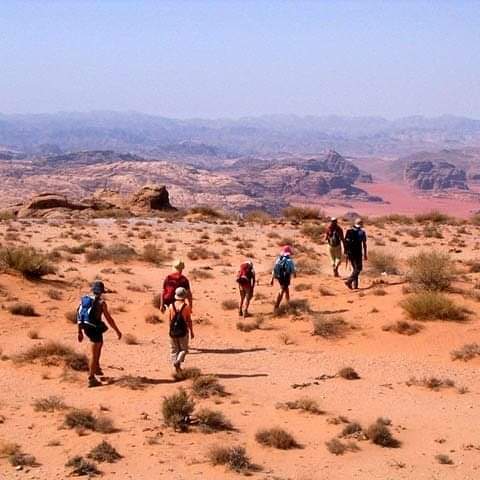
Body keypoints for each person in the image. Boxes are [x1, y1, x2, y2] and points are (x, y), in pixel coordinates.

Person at [77, 281, 122, 388]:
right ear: (101, 291)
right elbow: (109, 319)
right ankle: (91, 378)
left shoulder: (84, 299)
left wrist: (79, 332)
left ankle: (96, 368)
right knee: (94, 352)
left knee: (99, 344)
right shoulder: (101, 303)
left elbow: (79, 315)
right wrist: (117, 331)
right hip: (94, 328)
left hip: (86, 327)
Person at [168, 287, 194, 374]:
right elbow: (189, 320)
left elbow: (170, 320)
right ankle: (178, 361)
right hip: (183, 331)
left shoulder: (171, 306)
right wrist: (191, 331)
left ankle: (176, 369)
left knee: (174, 350)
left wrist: (171, 330)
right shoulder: (186, 307)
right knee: (184, 350)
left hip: (173, 331)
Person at [344, 218, 368, 290]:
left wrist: (346, 252)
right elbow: (364, 244)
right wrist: (365, 254)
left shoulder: (349, 231)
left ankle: (355, 286)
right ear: (361, 224)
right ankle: (349, 281)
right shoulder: (362, 232)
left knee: (355, 269)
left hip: (350, 253)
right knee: (358, 269)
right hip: (357, 253)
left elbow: (345, 243)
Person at [271, 245, 296, 311]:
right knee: (282, 290)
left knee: (286, 289)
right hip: (286, 277)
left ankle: (288, 304)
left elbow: (274, 269)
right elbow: (293, 270)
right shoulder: (289, 260)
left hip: (279, 277)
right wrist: (294, 274)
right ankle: (276, 306)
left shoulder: (279, 259)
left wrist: (272, 279)